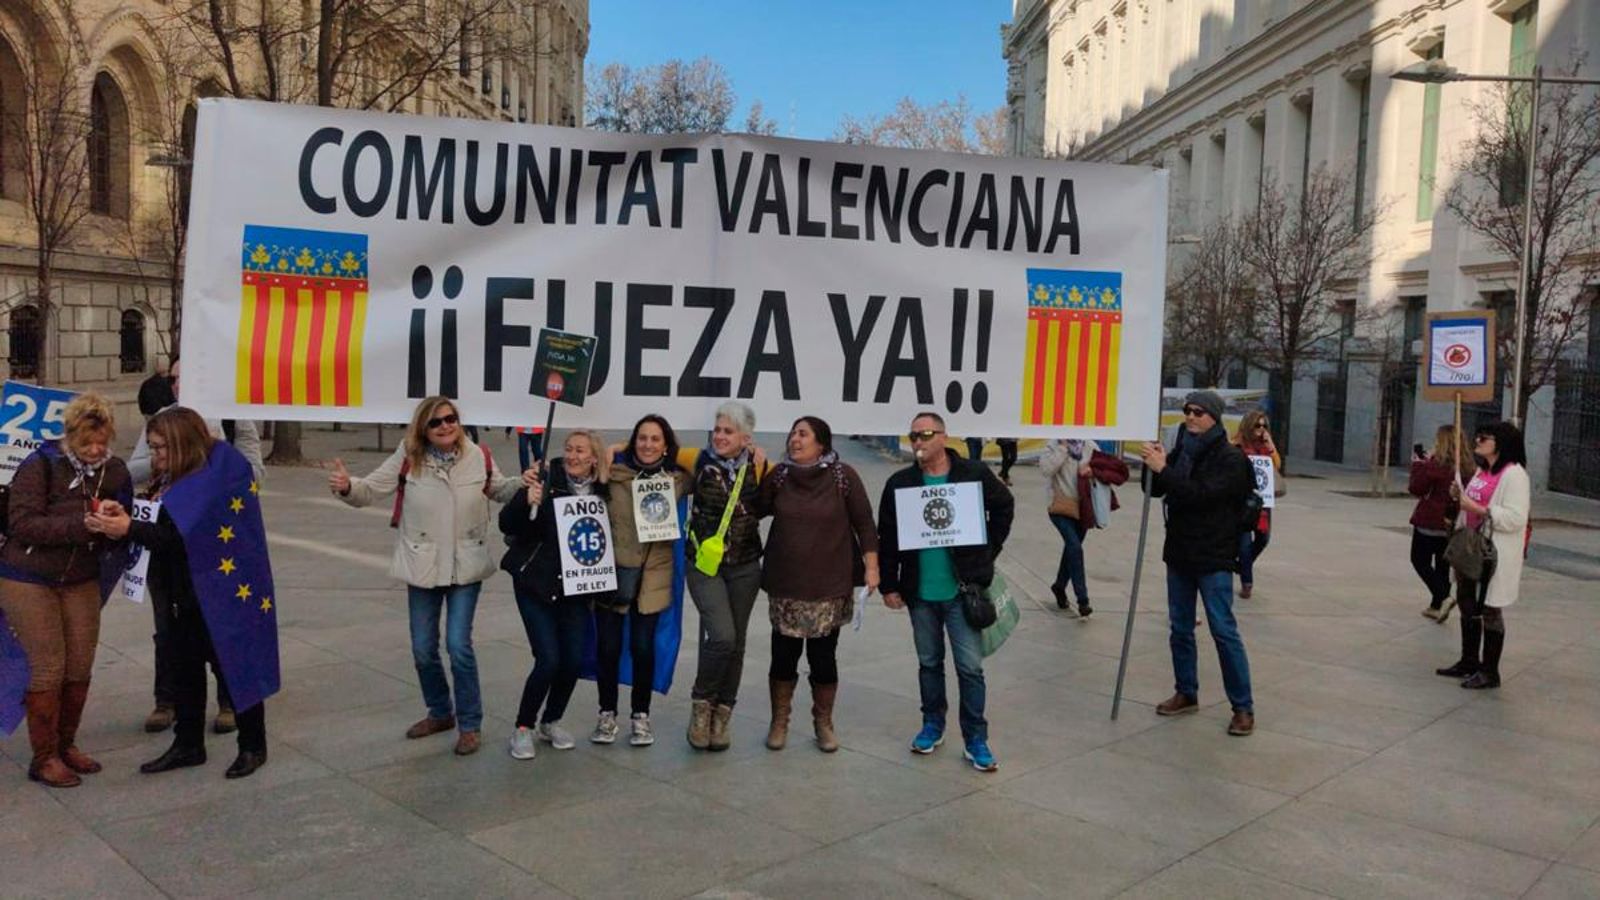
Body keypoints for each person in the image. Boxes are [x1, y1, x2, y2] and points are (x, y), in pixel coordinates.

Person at [329, 396, 528, 755]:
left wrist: (524, 483)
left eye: (450, 419)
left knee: (458, 645)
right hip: (422, 565)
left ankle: (470, 724)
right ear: (423, 427)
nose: (445, 427)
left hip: (466, 564)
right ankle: (440, 711)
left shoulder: (477, 455)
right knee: (423, 649)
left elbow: (499, 489)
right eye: (435, 422)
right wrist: (347, 486)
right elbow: (370, 489)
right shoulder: (408, 456)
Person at [88, 408, 271, 778]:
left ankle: (253, 745)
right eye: (153, 448)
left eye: (160, 448)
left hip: (220, 591)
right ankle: (188, 744)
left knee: (233, 668)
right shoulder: (171, 476)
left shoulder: (213, 476)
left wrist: (129, 529)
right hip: (178, 589)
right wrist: (124, 515)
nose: (154, 456)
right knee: (184, 668)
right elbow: (160, 519)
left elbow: (183, 537)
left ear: (181, 443)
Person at [0, 393, 131, 788]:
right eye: (86, 442)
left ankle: (66, 744)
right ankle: (44, 757)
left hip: (81, 578)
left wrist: (114, 522)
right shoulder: (40, 464)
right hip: (28, 576)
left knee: (80, 666)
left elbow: (122, 529)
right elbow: (21, 524)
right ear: (69, 436)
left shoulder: (116, 472)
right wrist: (81, 524)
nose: (95, 450)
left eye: (102, 442)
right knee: (49, 666)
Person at [131, 358, 266, 736]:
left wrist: (212, 450)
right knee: (168, 624)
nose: (179, 386)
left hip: (220, 544)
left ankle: (228, 701)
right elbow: (134, 468)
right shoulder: (160, 421)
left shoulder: (235, 420)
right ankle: (167, 700)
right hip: (168, 537)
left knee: (222, 624)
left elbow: (254, 475)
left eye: (186, 378)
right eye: (174, 379)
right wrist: (168, 454)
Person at [877, 412, 1014, 772]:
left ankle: (976, 738)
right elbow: (887, 538)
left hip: (962, 591)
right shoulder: (900, 483)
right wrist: (889, 585)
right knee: (928, 663)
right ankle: (932, 724)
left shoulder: (973, 474)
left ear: (943, 436)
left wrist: (988, 552)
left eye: (924, 434)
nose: (918, 442)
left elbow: (1004, 507)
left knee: (969, 667)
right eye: (912, 436)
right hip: (920, 592)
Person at [755, 416, 878, 753]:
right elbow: (756, 509)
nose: (795, 439)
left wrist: (872, 567)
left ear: (822, 443)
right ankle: (779, 720)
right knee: (783, 657)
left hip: (829, 585)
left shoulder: (842, 477)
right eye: (793, 432)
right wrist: (755, 471)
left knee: (823, 659)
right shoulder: (779, 475)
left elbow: (865, 523)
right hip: (787, 585)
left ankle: (823, 722)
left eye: (803, 434)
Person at [1140, 390, 1257, 736]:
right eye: (1187, 411)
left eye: (1199, 412)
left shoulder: (1230, 459)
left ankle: (1243, 706)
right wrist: (1155, 466)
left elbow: (1201, 495)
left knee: (1223, 630)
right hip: (1180, 551)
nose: (1190, 417)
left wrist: (1166, 471)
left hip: (1214, 555)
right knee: (1180, 627)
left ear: (1215, 418)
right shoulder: (1183, 451)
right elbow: (1158, 491)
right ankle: (1186, 691)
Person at [497, 430, 607, 760]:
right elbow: (508, 524)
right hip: (536, 582)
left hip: (574, 587)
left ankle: (551, 720)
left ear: (594, 458)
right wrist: (525, 499)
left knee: (572, 660)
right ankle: (522, 728)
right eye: (569, 449)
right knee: (548, 659)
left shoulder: (604, 489)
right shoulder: (544, 476)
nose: (573, 456)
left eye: (581, 451)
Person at [597, 415, 692, 747]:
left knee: (642, 649)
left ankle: (640, 716)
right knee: (607, 649)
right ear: (632, 441)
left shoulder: (677, 480)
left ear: (666, 445)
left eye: (655, 439)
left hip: (653, 579)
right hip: (614, 575)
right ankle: (607, 714)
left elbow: (704, 458)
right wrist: (616, 450)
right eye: (641, 438)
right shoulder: (612, 476)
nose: (648, 445)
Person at [683, 402, 770, 752]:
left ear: (745, 438)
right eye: (717, 429)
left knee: (737, 642)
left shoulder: (761, 467)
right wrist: (611, 450)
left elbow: (799, 477)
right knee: (721, 635)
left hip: (746, 565)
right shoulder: (696, 459)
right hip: (704, 565)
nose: (719, 436)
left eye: (728, 431)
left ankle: (723, 714)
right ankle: (701, 705)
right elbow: (649, 450)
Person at [1436, 421, 1531, 690]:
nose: (1477, 441)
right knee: (1468, 603)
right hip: (1471, 549)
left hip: (1492, 554)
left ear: (1500, 443)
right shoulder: (1483, 470)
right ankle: (1468, 661)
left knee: (1489, 608)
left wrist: (1476, 507)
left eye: (1484, 437)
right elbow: (1470, 506)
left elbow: (1515, 518)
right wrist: (1461, 499)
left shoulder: (1514, 475)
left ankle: (1490, 671)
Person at [1039, 438, 1129, 617]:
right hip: (1059, 506)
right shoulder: (1053, 445)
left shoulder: (1090, 446)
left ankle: (1059, 586)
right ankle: (1083, 600)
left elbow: (1106, 468)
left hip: (1084, 507)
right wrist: (1063, 449)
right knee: (1074, 547)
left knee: (1072, 550)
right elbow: (1046, 469)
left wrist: (1092, 471)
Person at [1410, 425, 1474, 622]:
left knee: (1419, 560)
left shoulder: (1433, 466)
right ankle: (1436, 605)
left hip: (1430, 521)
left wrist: (1418, 465)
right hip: (1452, 523)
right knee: (1442, 565)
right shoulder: (1469, 468)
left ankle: (1444, 597)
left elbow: (1416, 489)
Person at [1231, 410, 1281, 600]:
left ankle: (1241, 565)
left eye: (1264, 426)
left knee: (1263, 538)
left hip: (1262, 502)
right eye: (1257, 426)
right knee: (1244, 543)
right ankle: (1247, 583)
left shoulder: (1265, 446)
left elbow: (1276, 465)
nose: (1261, 430)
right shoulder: (1236, 445)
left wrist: (1270, 444)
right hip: (1243, 501)